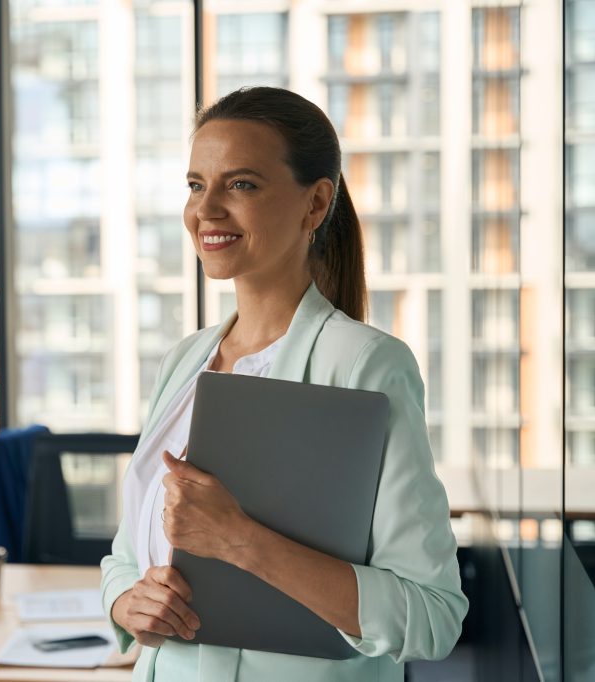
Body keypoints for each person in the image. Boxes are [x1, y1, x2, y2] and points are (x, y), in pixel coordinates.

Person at [100, 87, 468, 681]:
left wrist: (238, 540)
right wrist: (127, 601)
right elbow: (126, 554)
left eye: (241, 184)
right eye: (196, 185)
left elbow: (431, 616)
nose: (207, 210)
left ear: (316, 203)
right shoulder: (185, 361)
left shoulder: (366, 366)